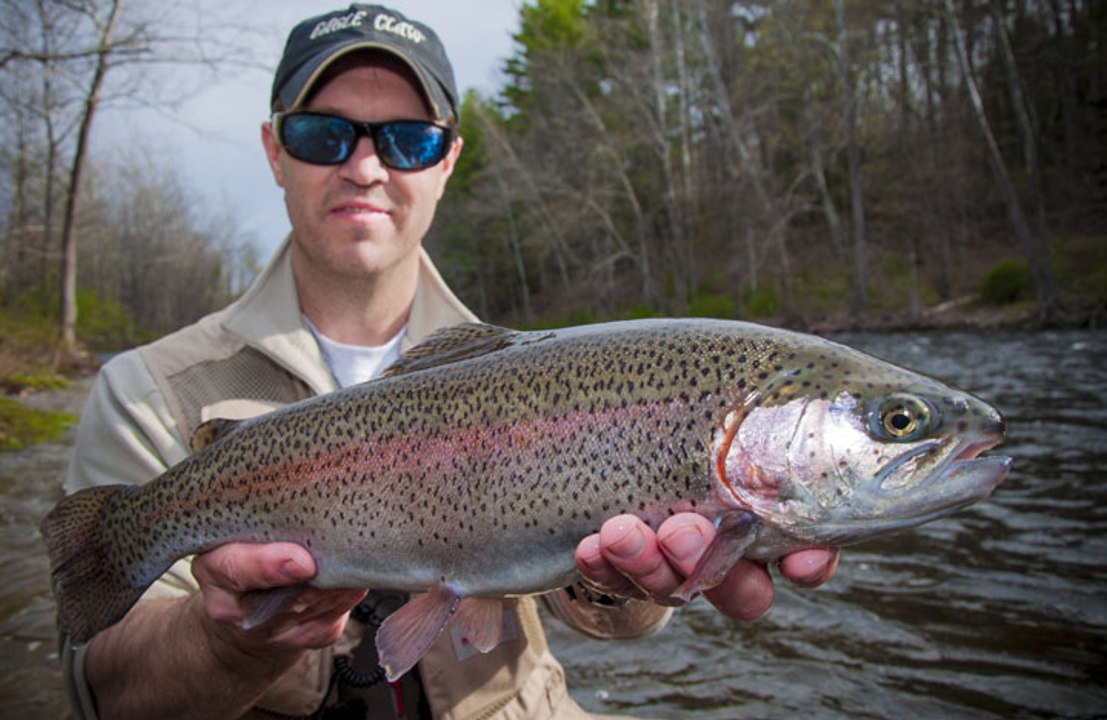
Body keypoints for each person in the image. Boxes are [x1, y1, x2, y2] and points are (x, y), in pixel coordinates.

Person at [58, 5, 839, 719]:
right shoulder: (146, 390)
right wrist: (231, 636)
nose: (365, 168)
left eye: (407, 139)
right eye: (323, 134)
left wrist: (619, 585)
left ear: (448, 159)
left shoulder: (546, 375)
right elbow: (109, 696)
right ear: (273, 149)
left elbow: (610, 618)